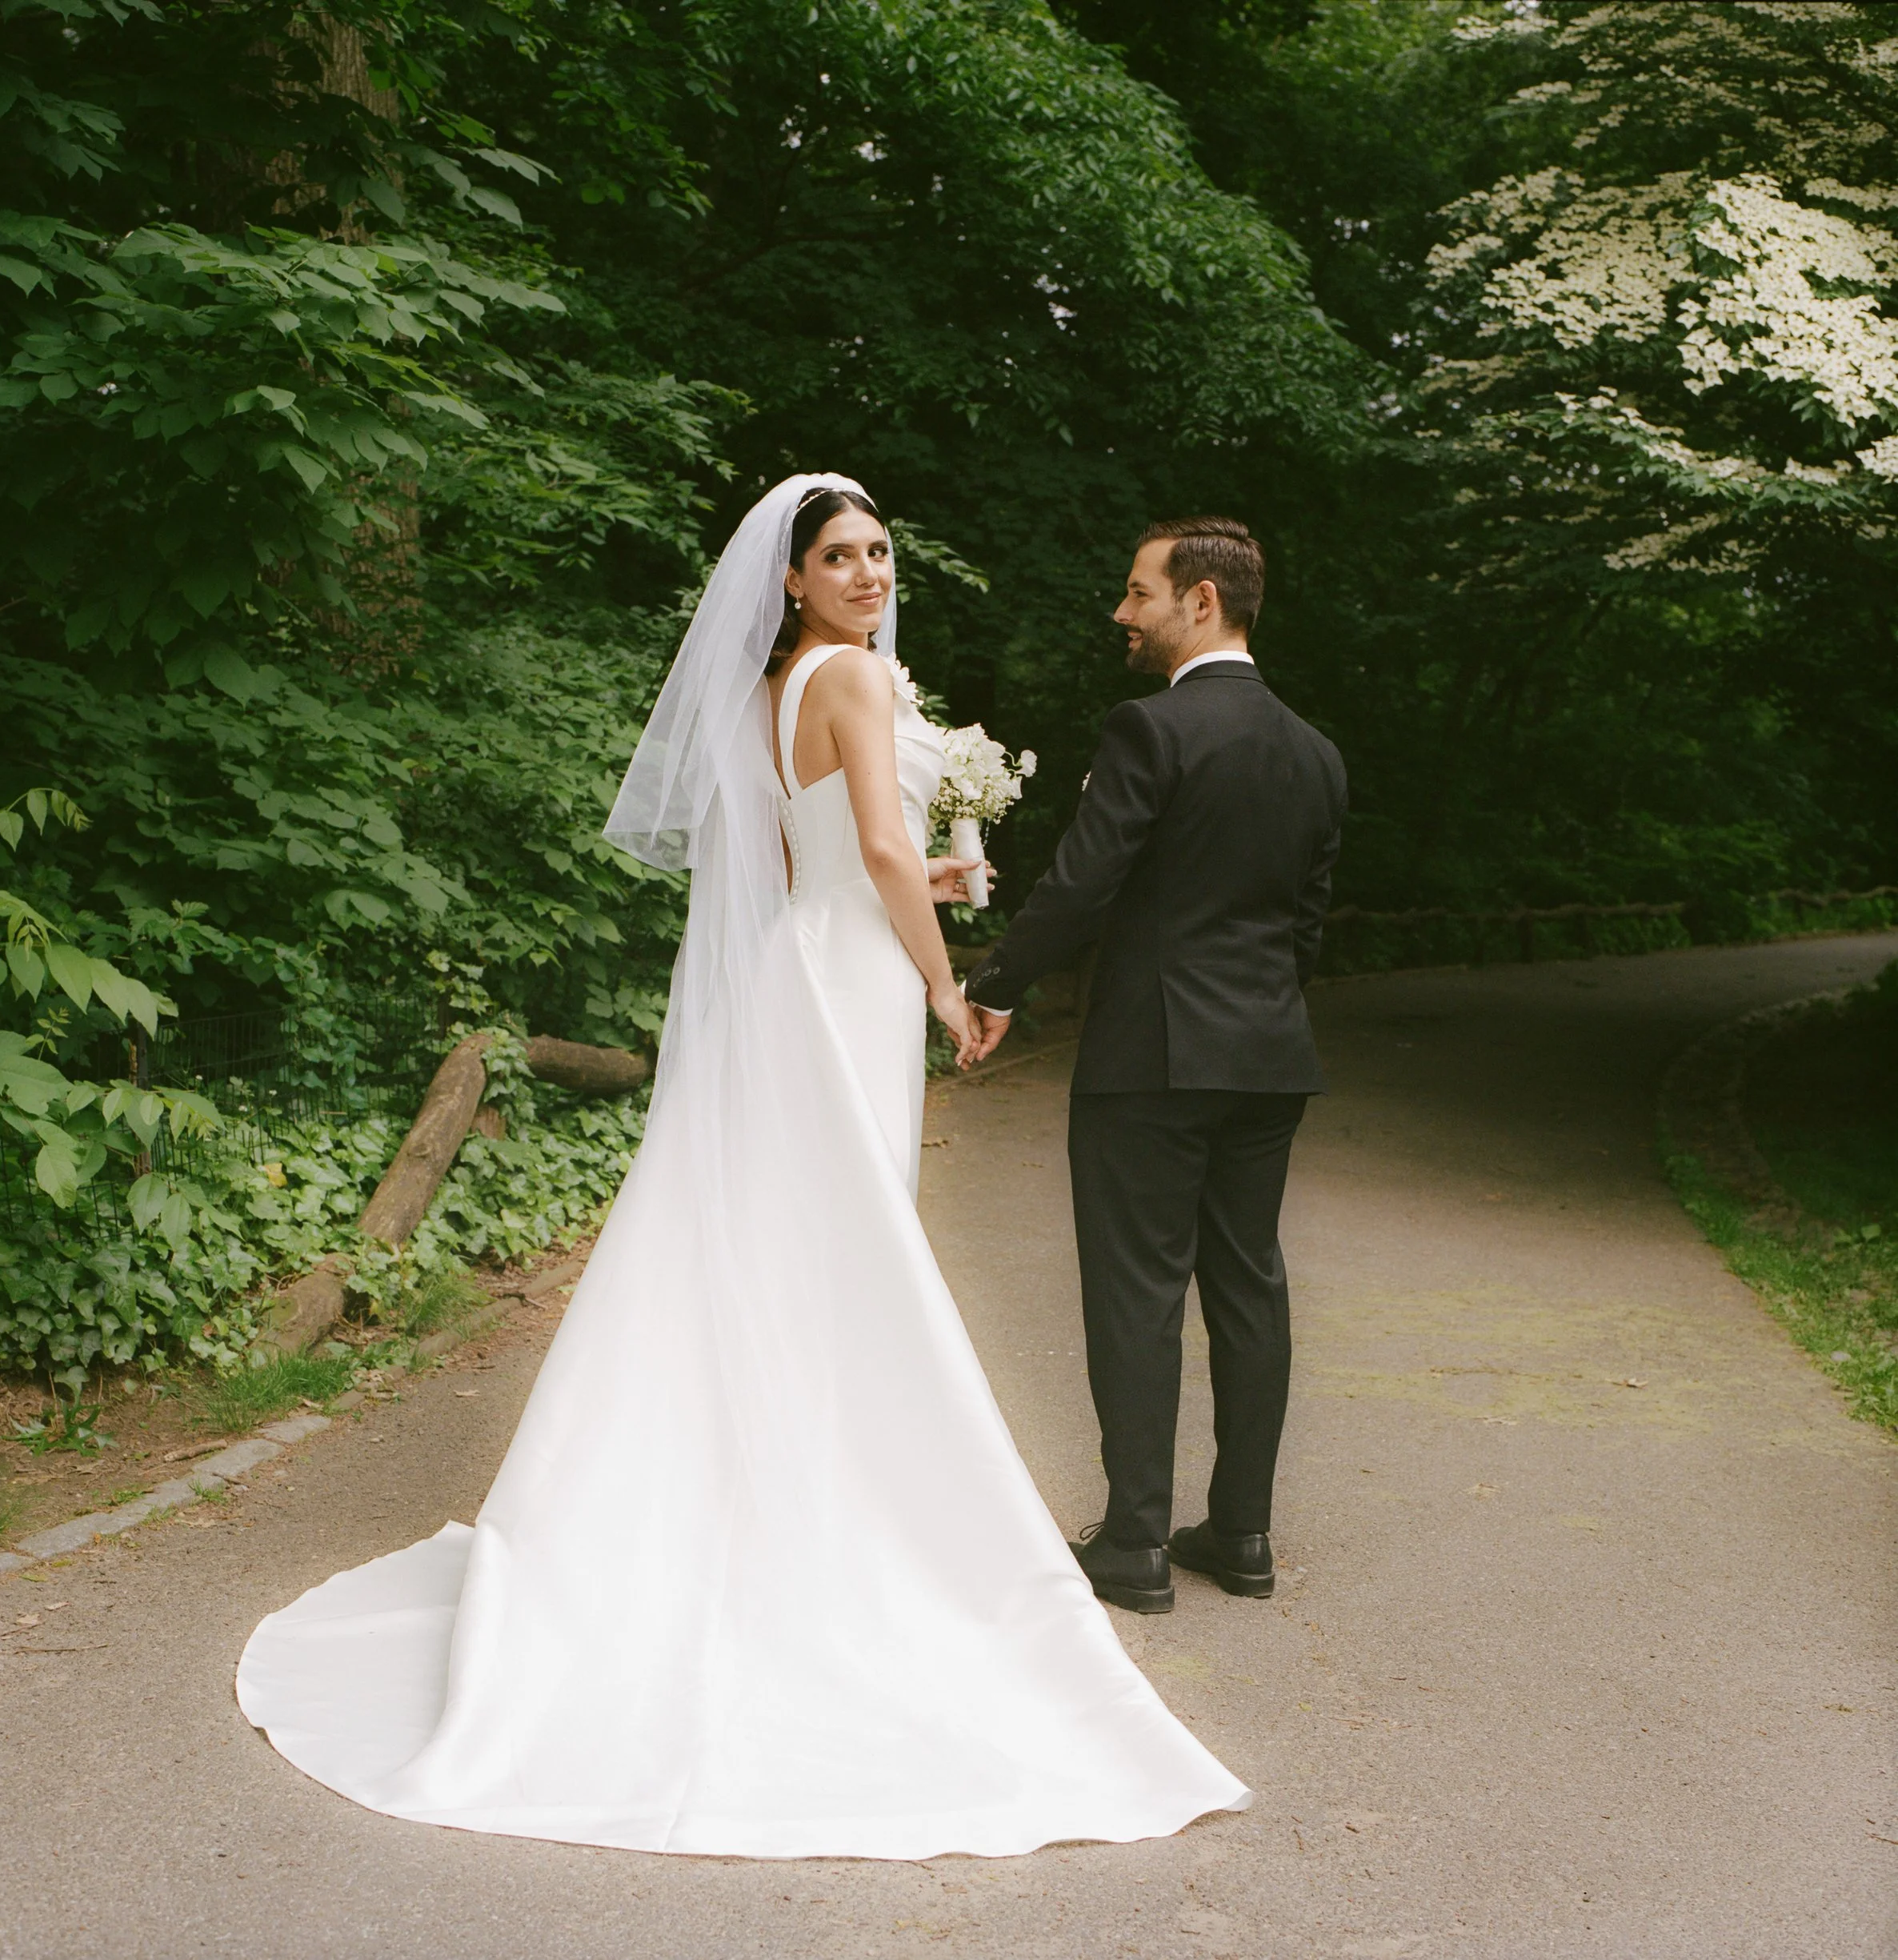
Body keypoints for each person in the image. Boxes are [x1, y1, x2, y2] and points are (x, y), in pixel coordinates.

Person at [235, 475, 1250, 1858]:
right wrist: (950, 987)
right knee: (847, 1241)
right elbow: (882, 845)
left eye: (883, 551)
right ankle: (823, 1507)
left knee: (781, 1230)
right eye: (841, 556)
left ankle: (751, 1471)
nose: (872, 572)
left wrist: (920, 889)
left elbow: (806, 857)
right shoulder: (856, 680)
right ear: (789, 576)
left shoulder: (778, 689)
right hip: (850, 991)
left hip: (796, 969)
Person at [964, 517, 1347, 1614]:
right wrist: (1259, 1011)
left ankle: (1133, 1545)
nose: (1122, 615)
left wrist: (994, 985)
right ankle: (1242, 1534)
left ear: (1202, 604)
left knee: (1138, 1289)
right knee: (1248, 1282)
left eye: (1139, 594)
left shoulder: (1151, 730)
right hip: (1268, 1054)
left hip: (1152, 1056)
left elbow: (1082, 886)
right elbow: (1306, 927)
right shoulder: (1316, 753)